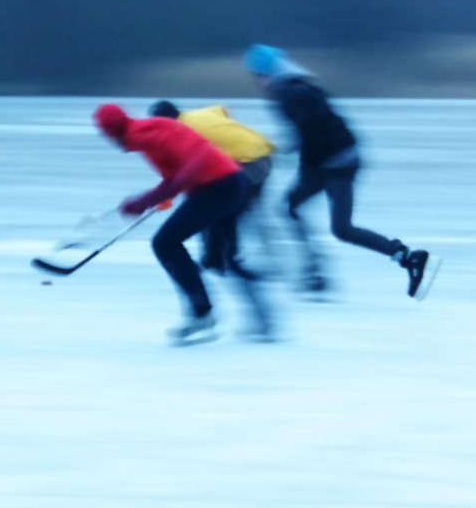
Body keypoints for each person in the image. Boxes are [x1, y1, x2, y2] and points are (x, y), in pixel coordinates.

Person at [243, 44, 434, 299]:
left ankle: (408, 257)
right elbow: (314, 129)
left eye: (254, 76)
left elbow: (308, 131)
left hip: (335, 162)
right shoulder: (295, 85)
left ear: (262, 74)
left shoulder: (286, 92)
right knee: (291, 206)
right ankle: (314, 272)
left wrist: (274, 150)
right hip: (332, 158)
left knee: (341, 228)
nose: (254, 83)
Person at [93, 103, 273, 344]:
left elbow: (194, 163)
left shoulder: (144, 135)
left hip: (219, 187)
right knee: (218, 257)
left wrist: (147, 200)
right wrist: (160, 195)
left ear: (110, 134)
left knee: (165, 244)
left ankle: (203, 313)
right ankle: (260, 319)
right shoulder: (147, 130)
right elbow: (176, 173)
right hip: (228, 183)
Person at [146, 100, 277, 274]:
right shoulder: (196, 114)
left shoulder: (182, 133)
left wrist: (167, 196)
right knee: (220, 206)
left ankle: (223, 260)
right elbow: (223, 109)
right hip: (262, 154)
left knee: (221, 209)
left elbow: (186, 174)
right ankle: (216, 258)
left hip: (251, 163)